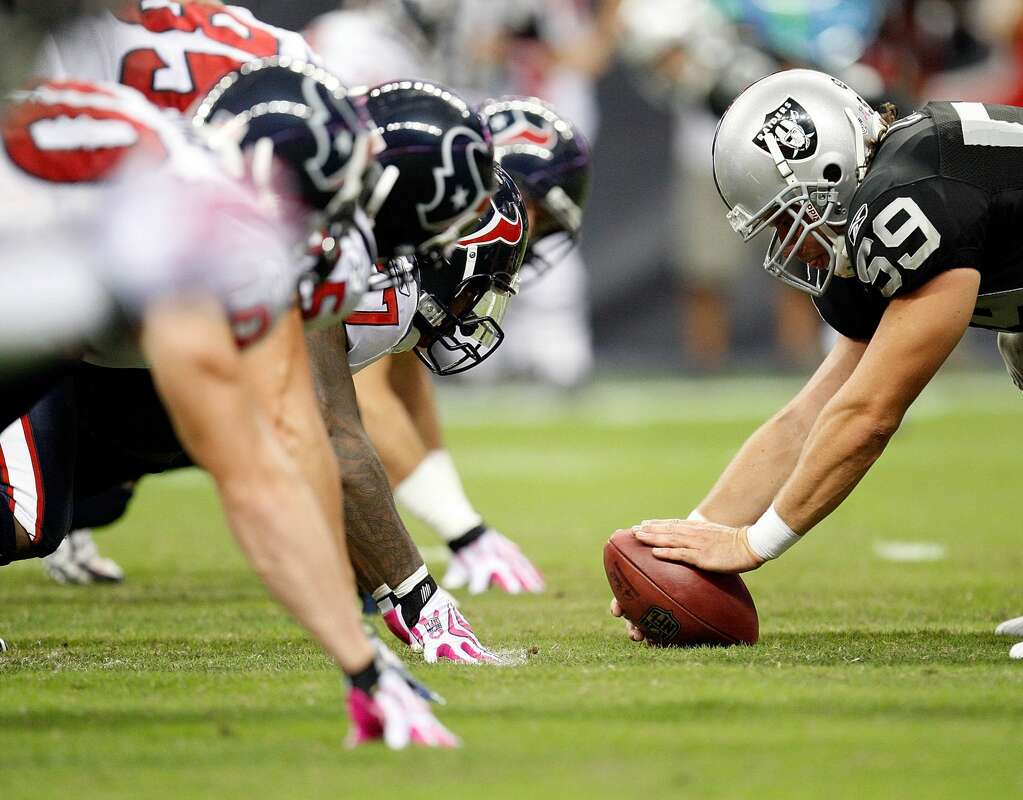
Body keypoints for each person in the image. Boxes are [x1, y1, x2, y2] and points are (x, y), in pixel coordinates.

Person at [612, 68, 1023, 661]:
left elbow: (870, 413)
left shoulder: (906, 201)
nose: (788, 241)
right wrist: (683, 546)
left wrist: (755, 543)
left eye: (787, 217)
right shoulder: (886, 197)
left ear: (830, 174)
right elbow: (810, 415)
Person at [33, 2, 504, 664]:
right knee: (31, 510)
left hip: (114, 250)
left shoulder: (255, 97)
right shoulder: (286, 90)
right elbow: (329, 433)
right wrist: (422, 602)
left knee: (200, 437)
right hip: (66, 248)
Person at [0, 76, 455, 747]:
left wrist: (359, 663)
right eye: (330, 208)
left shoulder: (174, 190)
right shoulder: (180, 229)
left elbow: (260, 474)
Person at [351, 95, 590, 594]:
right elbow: (360, 400)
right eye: (534, 215)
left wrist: (459, 518)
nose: (528, 240)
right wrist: (464, 530)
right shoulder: (385, 233)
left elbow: (398, 368)